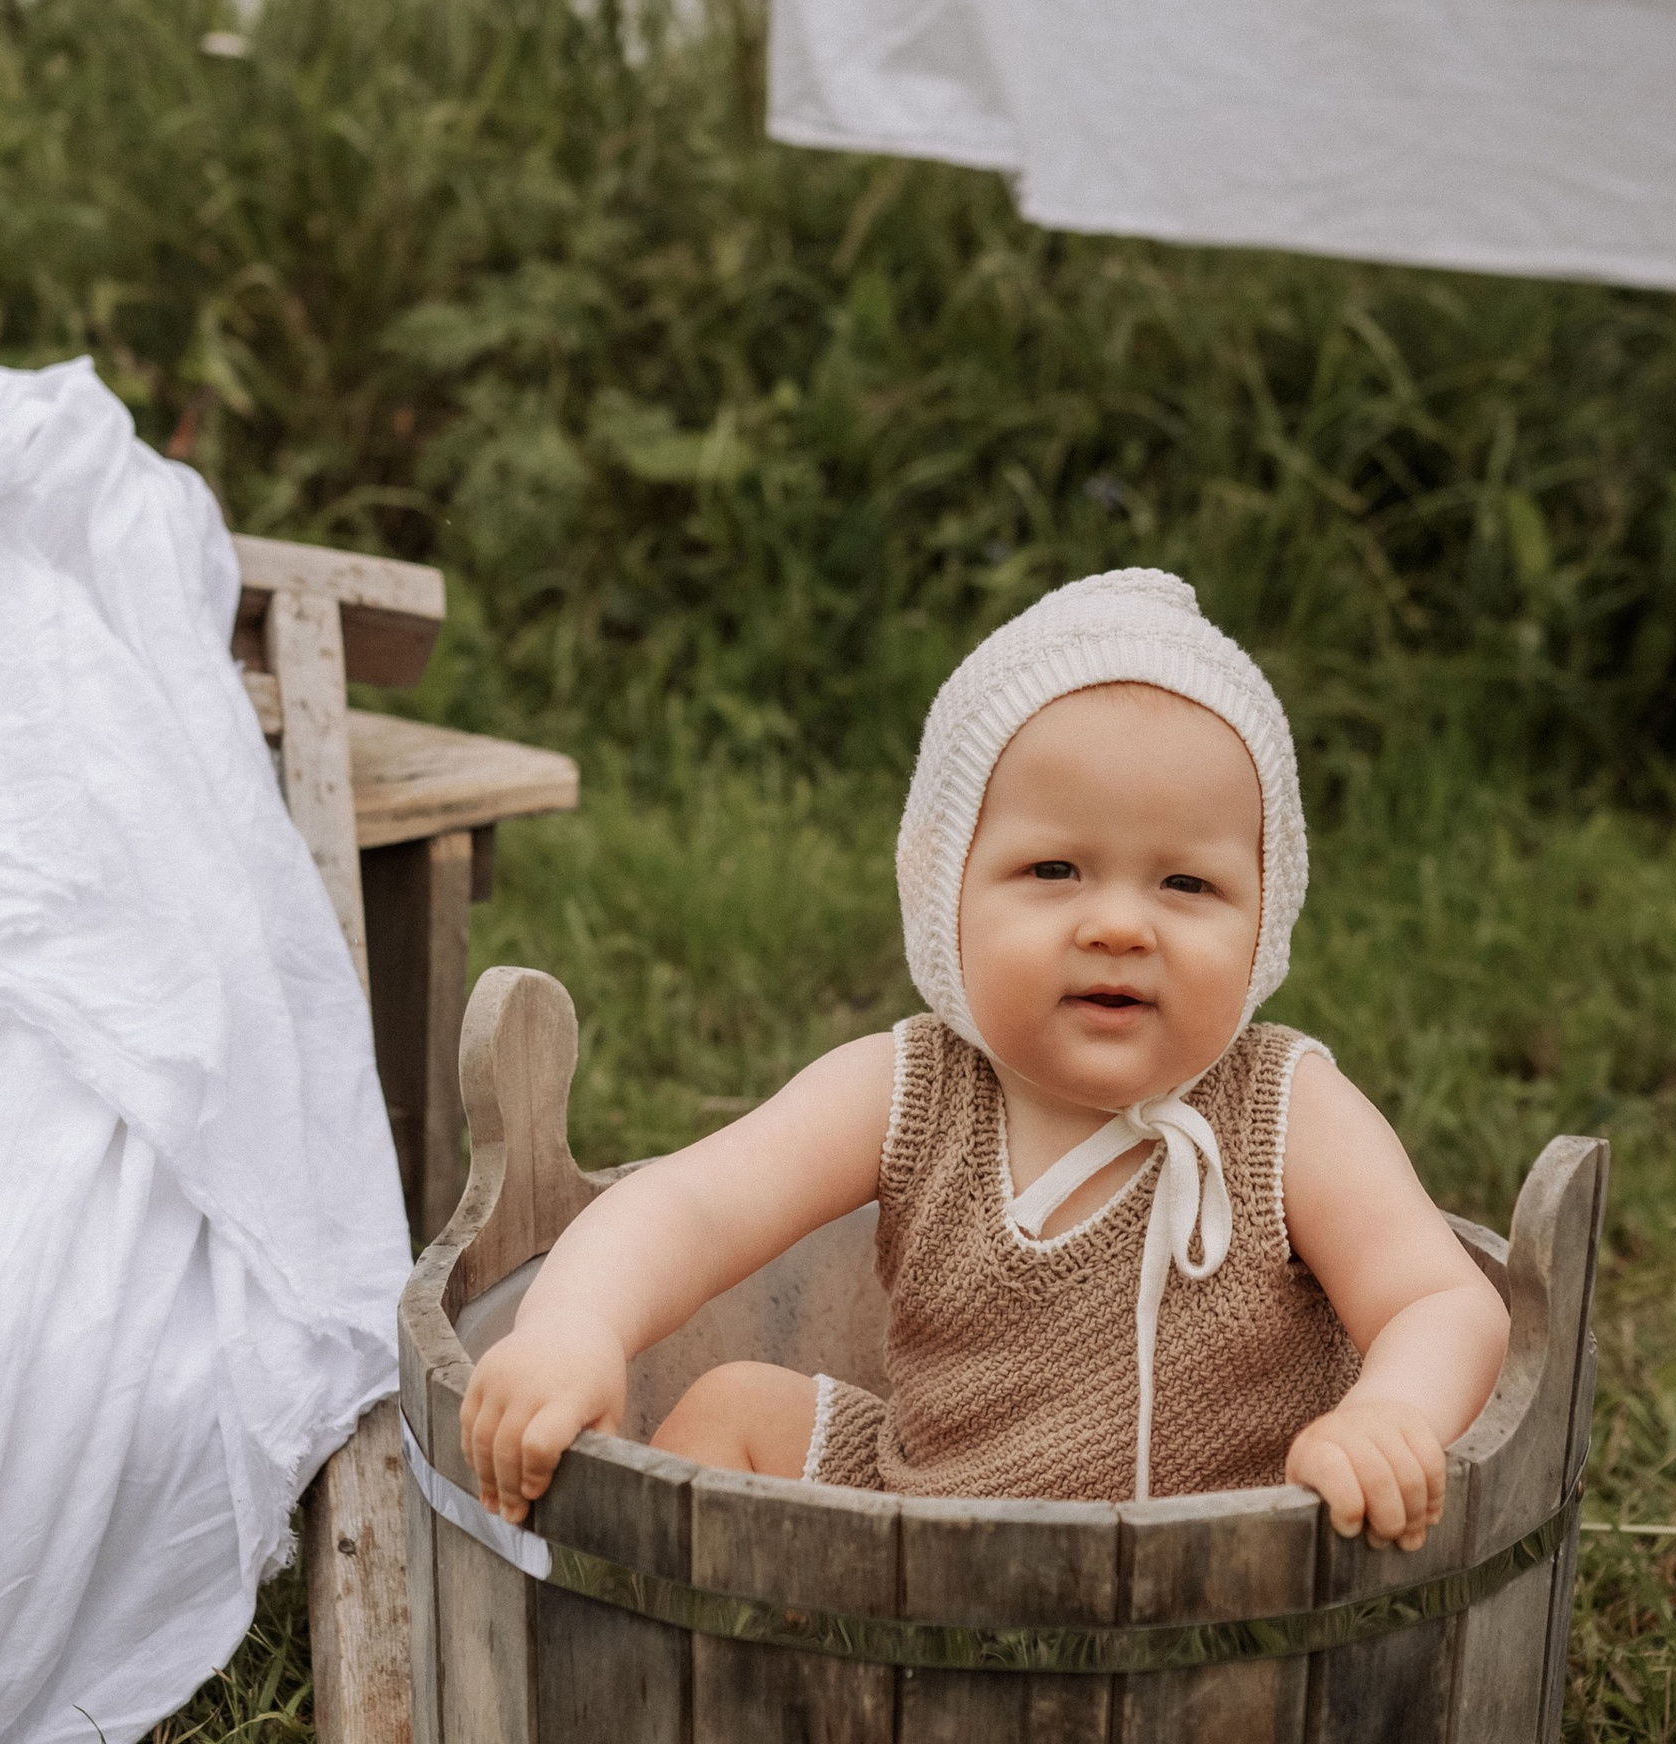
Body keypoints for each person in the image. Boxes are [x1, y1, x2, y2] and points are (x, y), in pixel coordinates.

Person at [460, 571, 1510, 1544]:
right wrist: (575, 1327)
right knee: (735, 1407)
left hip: (1224, 1559)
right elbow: (690, 1205)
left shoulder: (1283, 1110)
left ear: (1265, 915)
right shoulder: (912, 1090)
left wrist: (1387, 1414)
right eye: (1054, 869)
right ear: (947, 892)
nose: (1117, 926)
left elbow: (1441, 1299)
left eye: (1184, 886)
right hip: (927, 1535)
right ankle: (716, 1677)